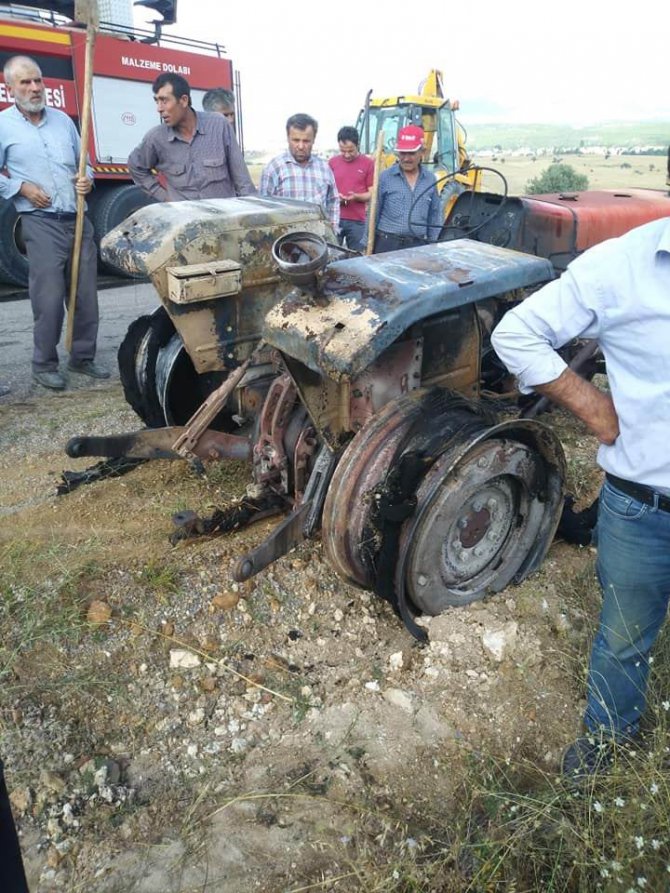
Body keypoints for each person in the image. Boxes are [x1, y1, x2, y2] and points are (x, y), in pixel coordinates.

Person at [491, 217, 670, 779]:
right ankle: (605, 751)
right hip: (644, 506)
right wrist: (592, 406)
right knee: (622, 640)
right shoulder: (621, 266)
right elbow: (515, 333)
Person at [0, 55, 108, 391]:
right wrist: (21, 187)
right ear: (9, 88)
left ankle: (82, 357)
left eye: (38, 81)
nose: (34, 88)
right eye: (25, 83)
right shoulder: (3, 126)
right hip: (41, 224)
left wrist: (86, 180)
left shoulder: (63, 121)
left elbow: (84, 164)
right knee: (48, 299)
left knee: (85, 296)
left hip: (77, 220)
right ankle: (43, 364)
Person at [128, 73, 255, 202]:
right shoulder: (156, 138)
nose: (159, 109)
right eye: (157, 101)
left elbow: (242, 181)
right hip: (185, 220)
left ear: (183, 100)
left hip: (222, 218)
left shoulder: (218, 125)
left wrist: (252, 214)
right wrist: (165, 197)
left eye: (164, 101)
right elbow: (136, 166)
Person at [259, 113, 339, 233]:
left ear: (313, 140)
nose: (301, 146)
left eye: (306, 141)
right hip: (285, 241)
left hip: (318, 240)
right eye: (296, 140)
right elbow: (263, 209)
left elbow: (333, 201)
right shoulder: (274, 169)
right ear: (288, 138)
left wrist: (332, 231)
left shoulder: (324, 169)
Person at [369, 125, 443, 254]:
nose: (406, 158)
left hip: (418, 246)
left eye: (412, 153)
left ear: (422, 152)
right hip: (387, 245)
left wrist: (434, 244)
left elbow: (435, 215)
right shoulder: (385, 177)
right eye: (403, 153)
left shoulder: (430, 179)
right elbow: (373, 213)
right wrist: (367, 244)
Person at [328, 126, 374, 251]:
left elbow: (372, 193)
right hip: (334, 218)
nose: (347, 155)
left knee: (356, 256)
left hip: (357, 221)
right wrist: (337, 198)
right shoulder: (332, 163)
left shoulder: (368, 163)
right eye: (343, 151)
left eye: (350, 151)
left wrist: (356, 197)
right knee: (332, 255)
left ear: (357, 145)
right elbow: (326, 191)